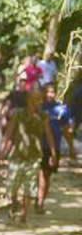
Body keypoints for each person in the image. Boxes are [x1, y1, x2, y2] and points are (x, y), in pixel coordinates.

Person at [0, 88, 54, 224]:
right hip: (17, 155)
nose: (37, 103)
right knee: (12, 187)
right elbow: (9, 132)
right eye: (35, 99)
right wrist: (2, 150)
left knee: (29, 187)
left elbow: (49, 135)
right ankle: (14, 205)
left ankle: (23, 216)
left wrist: (53, 153)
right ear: (28, 100)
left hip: (34, 157)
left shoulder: (43, 116)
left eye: (40, 100)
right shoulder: (18, 114)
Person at [39, 83, 75, 212]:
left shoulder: (61, 110)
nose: (50, 95)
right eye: (47, 92)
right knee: (40, 174)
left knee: (46, 175)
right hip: (38, 146)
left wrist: (71, 147)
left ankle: (40, 201)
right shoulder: (38, 107)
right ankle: (37, 201)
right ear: (42, 93)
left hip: (54, 147)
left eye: (52, 92)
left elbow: (66, 130)